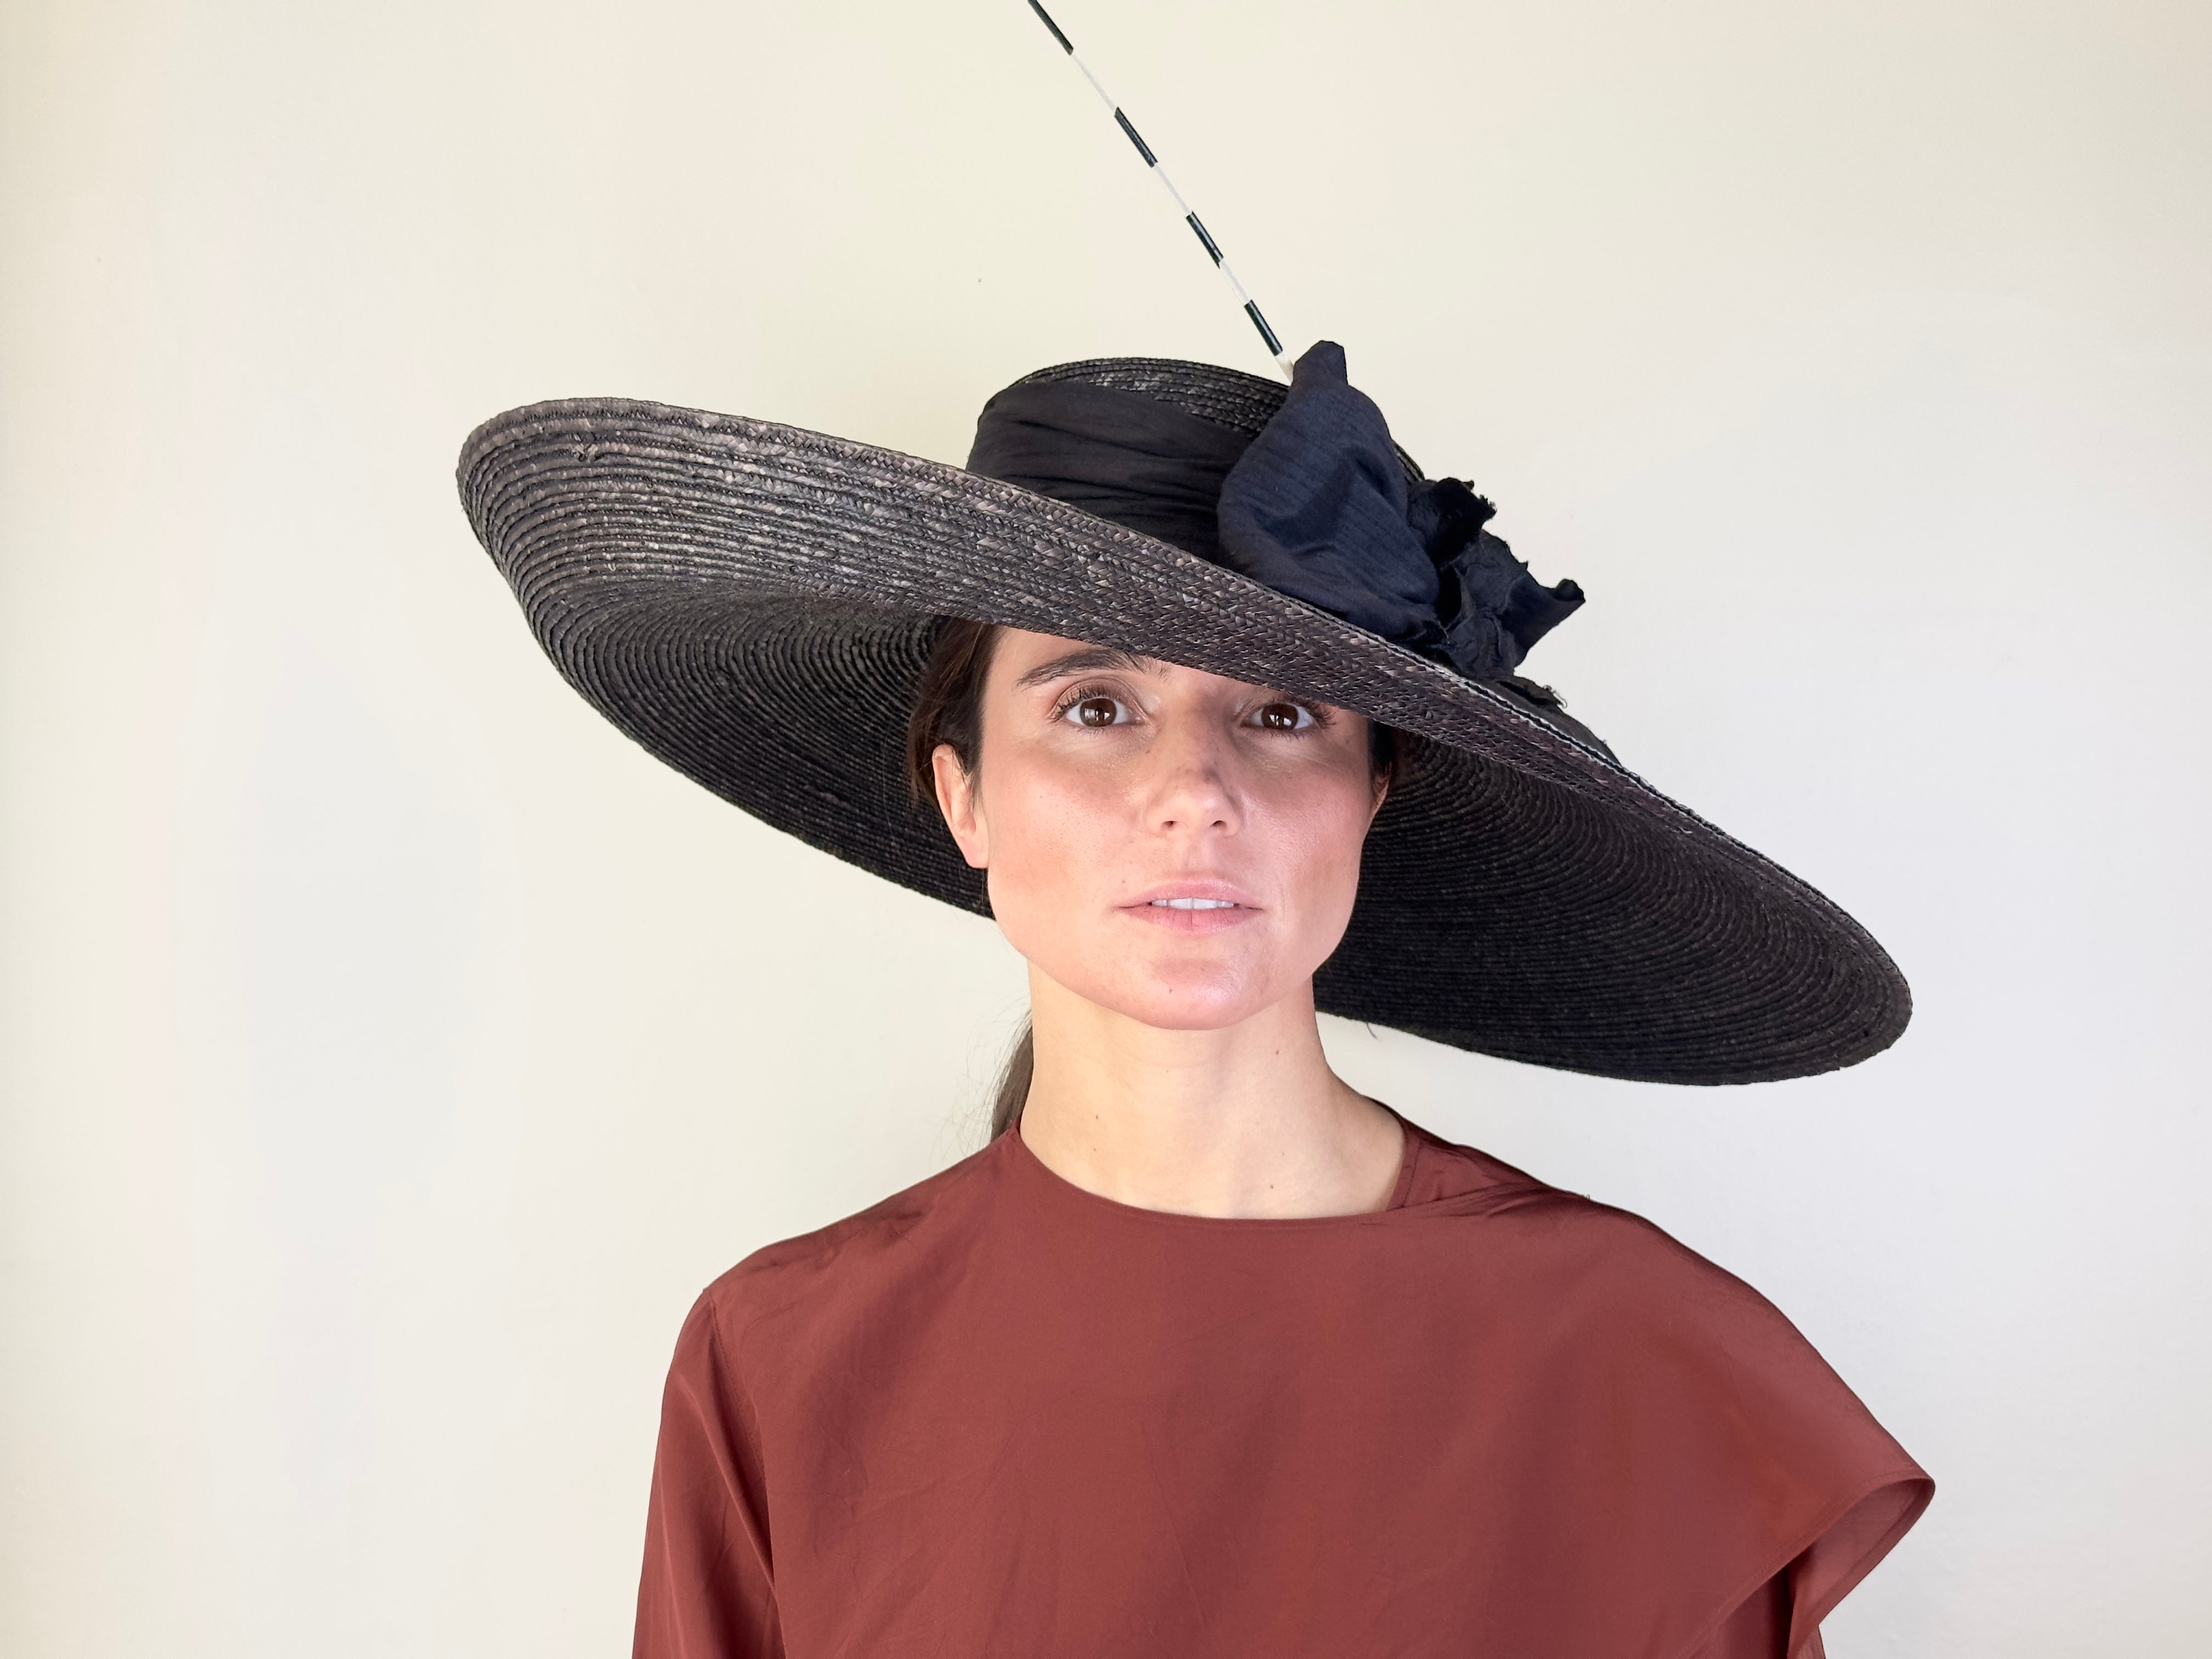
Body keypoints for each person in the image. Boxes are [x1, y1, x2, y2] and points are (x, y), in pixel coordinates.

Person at [459, 342, 1932, 1657]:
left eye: (1281, 712)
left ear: (1372, 792)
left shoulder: (1638, 1362)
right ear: (963, 795)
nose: (1194, 793)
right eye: (1095, 707)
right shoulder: (784, 1362)